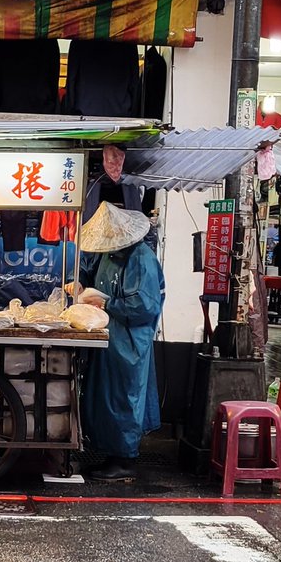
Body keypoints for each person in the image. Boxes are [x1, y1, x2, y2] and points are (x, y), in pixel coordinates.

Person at [73, 202, 165, 482]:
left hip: (129, 342)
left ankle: (124, 460)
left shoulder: (141, 258)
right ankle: (109, 452)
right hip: (107, 337)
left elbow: (145, 306)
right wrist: (77, 283)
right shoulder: (106, 254)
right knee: (104, 395)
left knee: (124, 397)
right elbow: (86, 272)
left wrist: (107, 301)